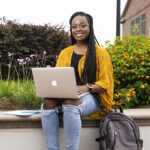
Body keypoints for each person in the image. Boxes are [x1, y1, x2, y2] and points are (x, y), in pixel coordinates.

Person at [41, 11, 114, 150]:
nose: (78, 29)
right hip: (67, 94)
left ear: (90, 27)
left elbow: (106, 83)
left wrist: (87, 87)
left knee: (70, 103)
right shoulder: (65, 53)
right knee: (48, 103)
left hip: (93, 96)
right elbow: (56, 78)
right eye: (74, 26)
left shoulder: (100, 53)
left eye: (82, 25)